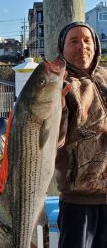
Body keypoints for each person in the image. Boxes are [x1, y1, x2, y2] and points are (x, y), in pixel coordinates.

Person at [56, 21, 107, 248]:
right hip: (79, 201)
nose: (81, 46)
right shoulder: (59, 85)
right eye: (73, 41)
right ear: (63, 48)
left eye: (87, 40)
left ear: (95, 46)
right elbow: (50, 141)